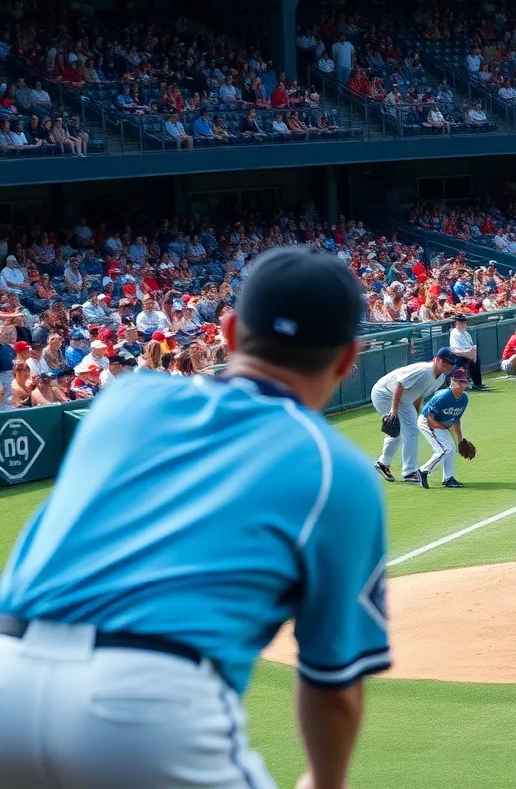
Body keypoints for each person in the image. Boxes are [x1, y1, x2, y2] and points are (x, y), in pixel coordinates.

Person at [0, 246, 389, 789]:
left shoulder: (124, 399)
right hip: (147, 706)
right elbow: (333, 682)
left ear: (228, 332)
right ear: (348, 359)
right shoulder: (337, 470)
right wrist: (324, 782)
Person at [369, 348, 458, 484]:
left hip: (405, 401)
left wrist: (415, 416)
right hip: (384, 393)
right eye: (445, 362)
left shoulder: (440, 378)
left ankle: (402, 470)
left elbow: (419, 396)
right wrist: (393, 411)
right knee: (396, 429)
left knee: (411, 430)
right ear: (437, 359)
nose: (448, 366)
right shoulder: (423, 370)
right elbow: (400, 384)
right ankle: (393, 466)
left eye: (451, 364)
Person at [416, 366, 471, 489]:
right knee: (443, 449)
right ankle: (422, 471)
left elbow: (456, 419)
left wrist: (460, 438)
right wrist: (441, 427)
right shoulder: (443, 396)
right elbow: (430, 419)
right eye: (460, 381)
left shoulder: (464, 399)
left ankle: (448, 478)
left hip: (440, 424)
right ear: (452, 381)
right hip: (427, 422)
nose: (463, 384)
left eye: (465, 381)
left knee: (451, 448)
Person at [448, 313, 491, 392]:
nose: (463, 324)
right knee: (471, 359)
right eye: (461, 322)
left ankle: (478, 383)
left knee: (475, 357)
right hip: (458, 355)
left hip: (468, 353)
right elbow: (456, 350)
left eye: (464, 322)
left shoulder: (466, 333)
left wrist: (473, 354)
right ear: (456, 323)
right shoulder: (454, 333)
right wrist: (470, 354)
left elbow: (471, 346)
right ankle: (473, 383)